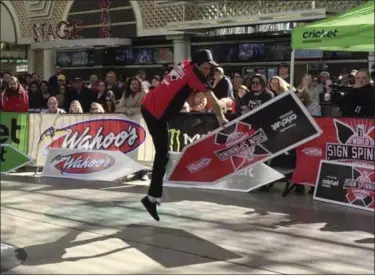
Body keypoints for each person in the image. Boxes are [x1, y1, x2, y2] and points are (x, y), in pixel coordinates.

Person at [140, 49, 228, 221]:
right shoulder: (194, 73)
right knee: (162, 154)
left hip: (151, 106)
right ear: (196, 65)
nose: (208, 72)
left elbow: (178, 87)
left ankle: (152, 197)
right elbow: (213, 99)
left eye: (210, 68)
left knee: (164, 152)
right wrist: (221, 118)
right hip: (155, 114)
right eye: (205, 68)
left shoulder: (185, 63)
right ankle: (151, 198)